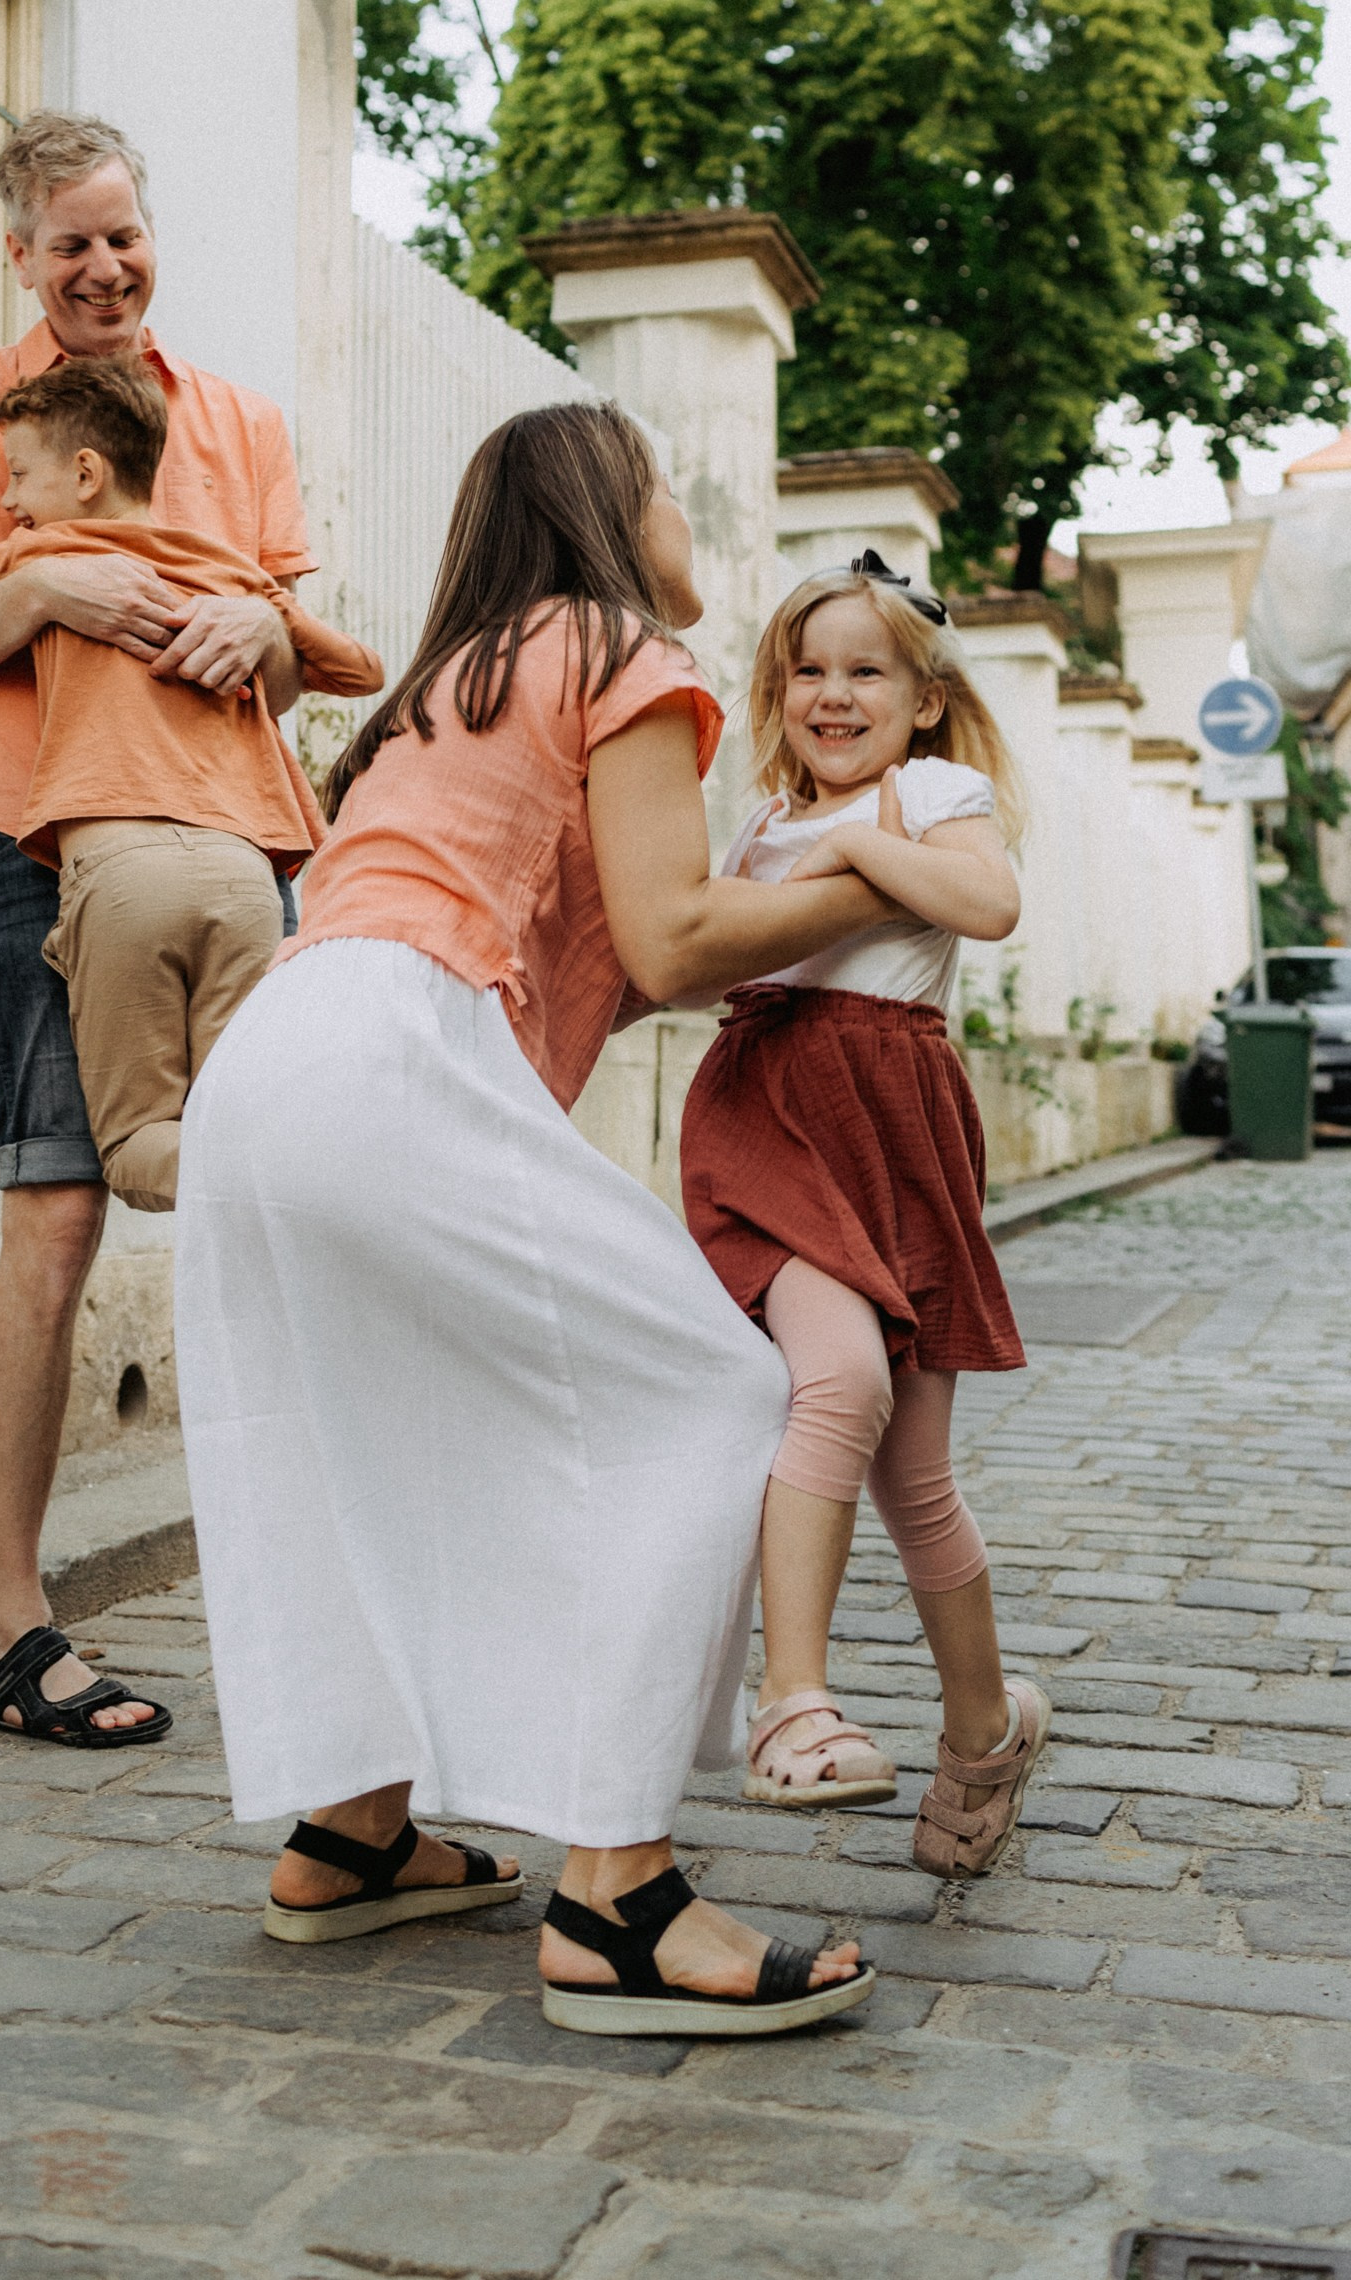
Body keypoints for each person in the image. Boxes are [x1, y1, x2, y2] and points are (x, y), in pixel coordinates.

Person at [173, 402, 914, 2037]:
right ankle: (621, 1899)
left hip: (276, 1065)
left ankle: (355, 1831)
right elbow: (667, 938)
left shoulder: (455, 681)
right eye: (665, 482)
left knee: (343, 1429)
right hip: (384, 1052)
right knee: (719, 1389)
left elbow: (593, 956)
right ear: (609, 509)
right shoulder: (617, 648)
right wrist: (887, 877)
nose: (685, 514)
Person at [0, 111, 316, 1748]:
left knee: (272, 1201)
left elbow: (290, 659)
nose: (105, 264)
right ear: (22, 254)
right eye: (71, 241)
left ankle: (309, 1577)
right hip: (36, 846)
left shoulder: (242, 421)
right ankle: (10, 1627)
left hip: (229, 849)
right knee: (56, 1221)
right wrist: (51, 585)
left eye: (123, 234)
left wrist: (248, 622)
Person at [677, 558, 1051, 1876]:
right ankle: (796, 1699)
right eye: (808, 669)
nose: (832, 695)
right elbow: (688, 964)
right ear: (780, 690)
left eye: (866, 670)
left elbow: (990, 905)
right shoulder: (754, 819)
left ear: (924, 701)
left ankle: (986, 1730)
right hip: (768, 1126)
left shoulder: (934, 795)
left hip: (892, 1134)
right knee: (835, 1386)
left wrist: (850, 841)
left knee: (917, 1483)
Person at [0, 354, 382, 1218]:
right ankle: (325, 1176)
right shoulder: (226, 571)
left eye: (18, 476)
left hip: (123, 873)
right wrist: (265, 615)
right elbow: (358, 669)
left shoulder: (43, 549)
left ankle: (308, 1180)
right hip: (246, 874)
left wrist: (33, 586)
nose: (9, 499)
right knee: (244, 1115)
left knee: (134, 1150)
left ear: (85, 473)